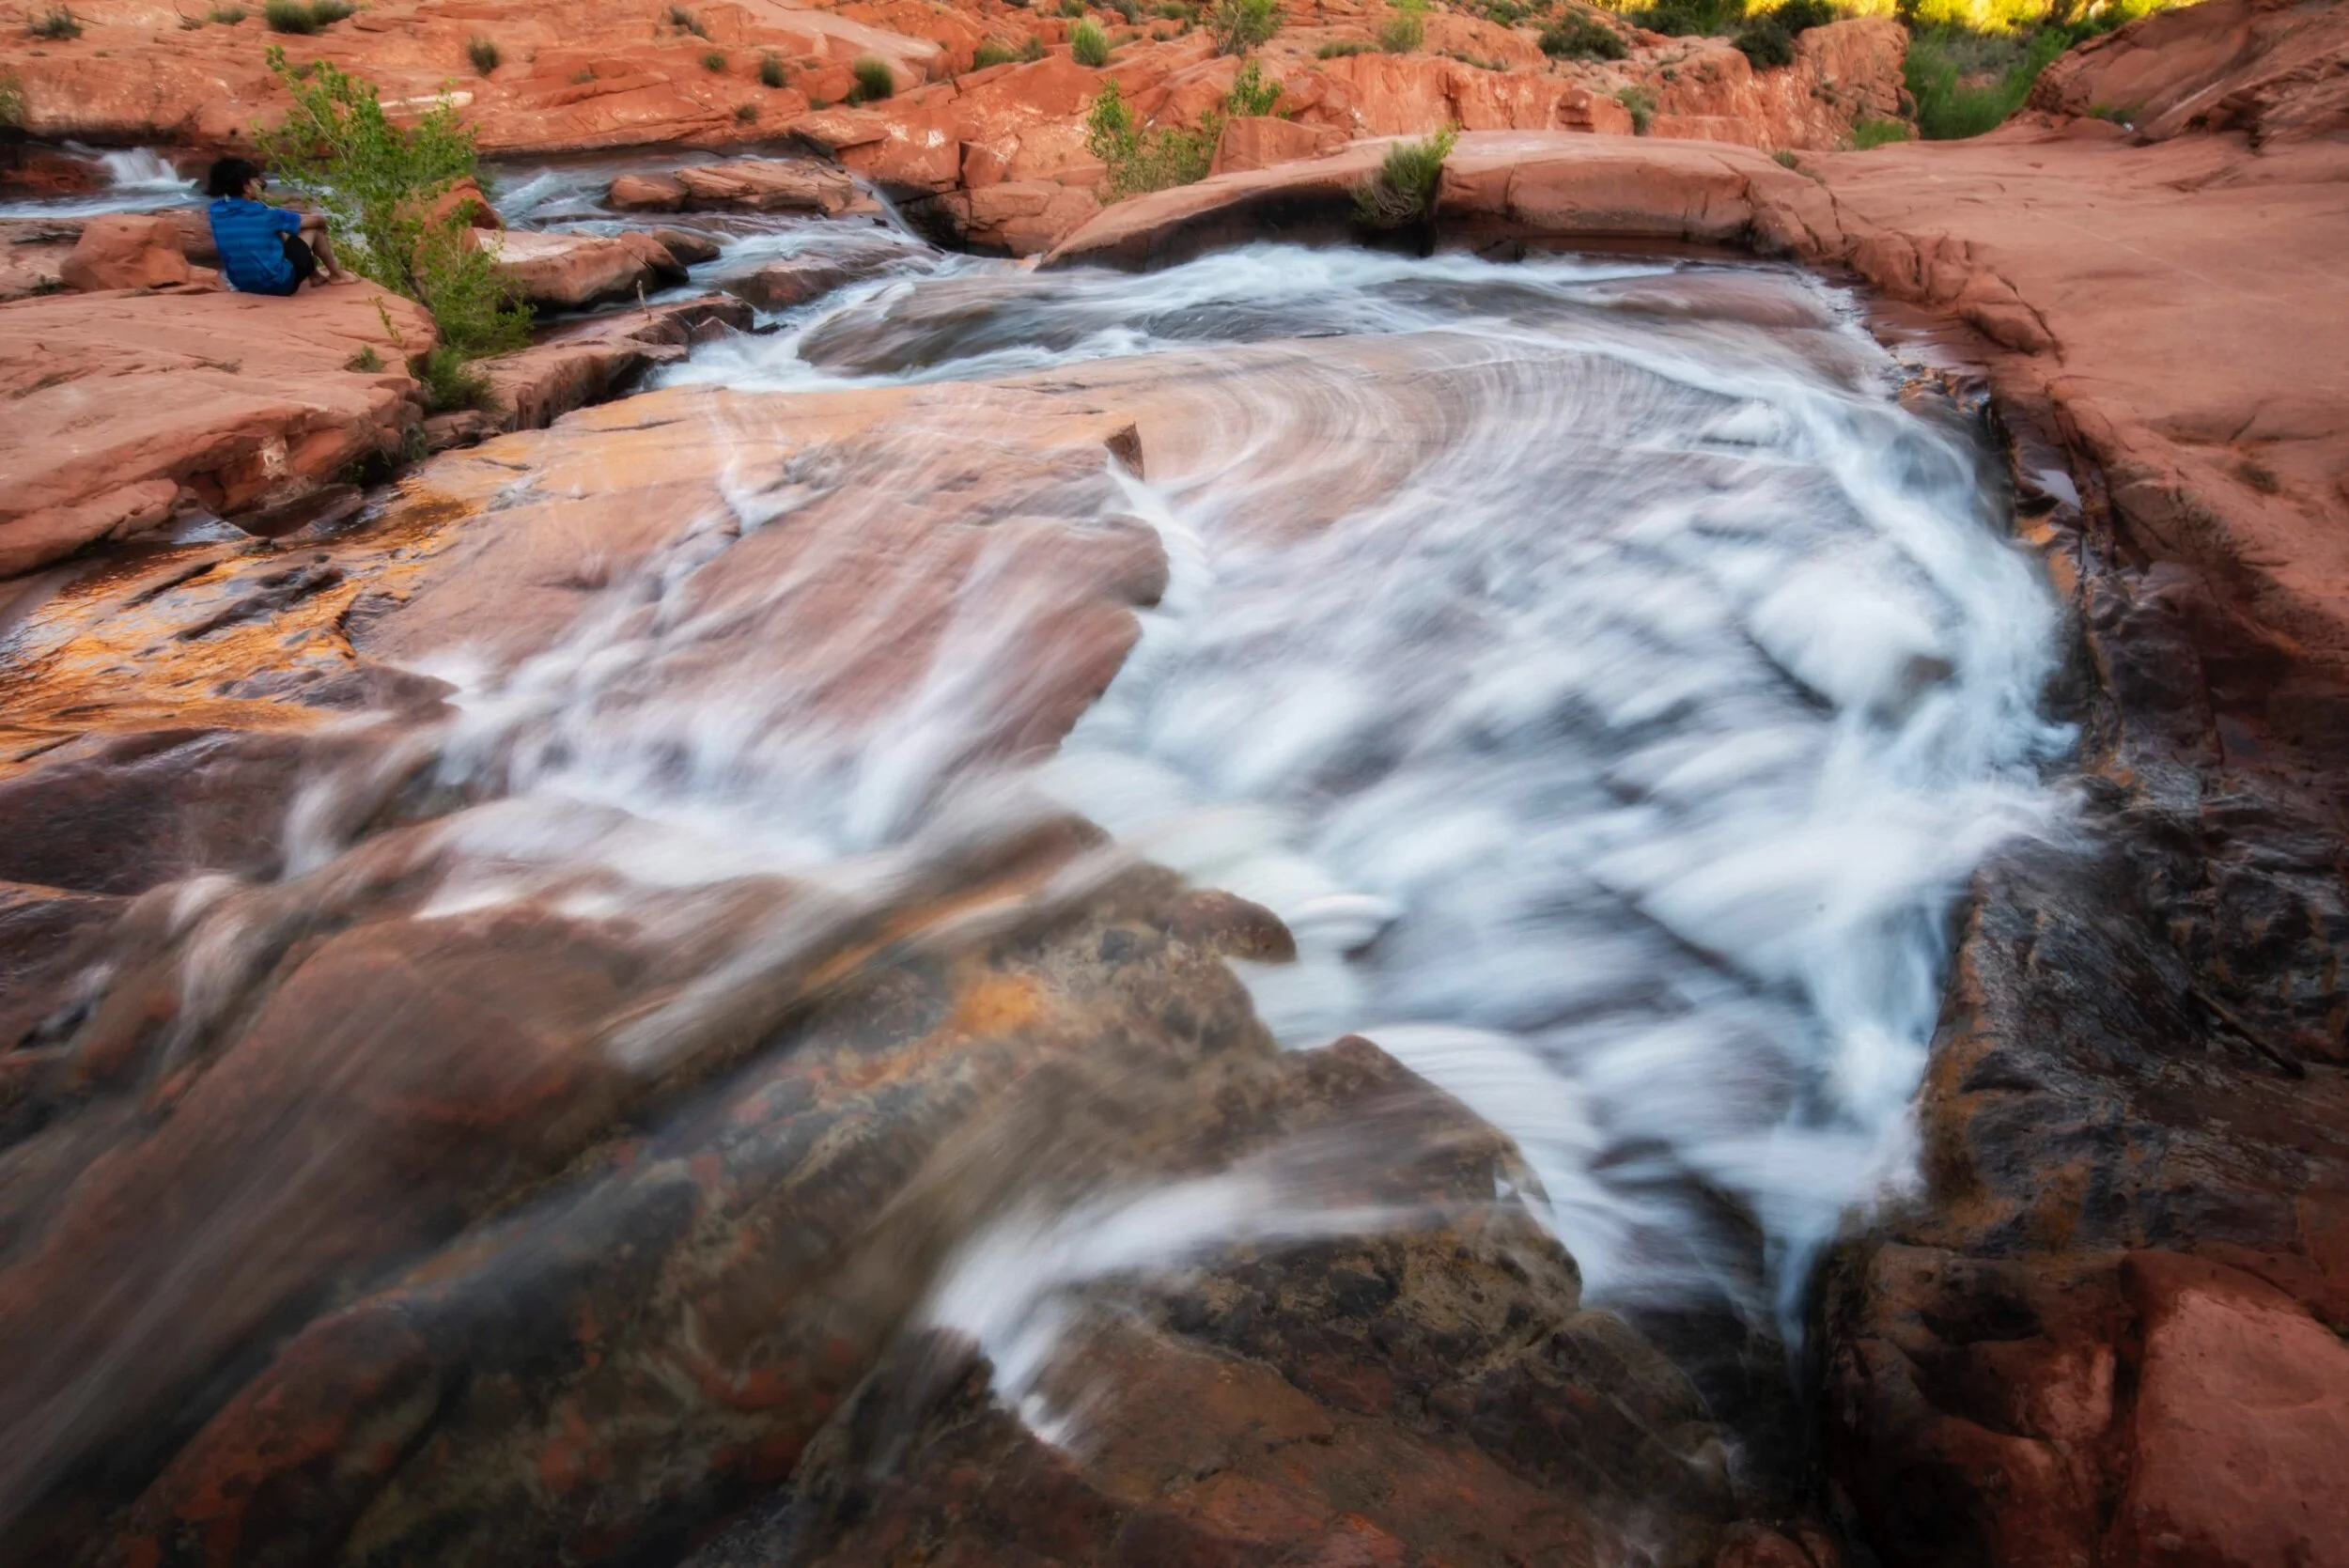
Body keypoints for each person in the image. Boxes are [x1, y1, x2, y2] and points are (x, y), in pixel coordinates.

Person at [204, 156, 351, 295]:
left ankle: (316, 276)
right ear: (247, 187)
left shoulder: (215, 212)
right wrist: (323, 226)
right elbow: (316, 220)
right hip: (279, 286)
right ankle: (338, 275)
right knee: (313, 230)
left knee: (279, 232)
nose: (261, 184)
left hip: (242, 285)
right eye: (256, 180)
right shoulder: (265, 214)